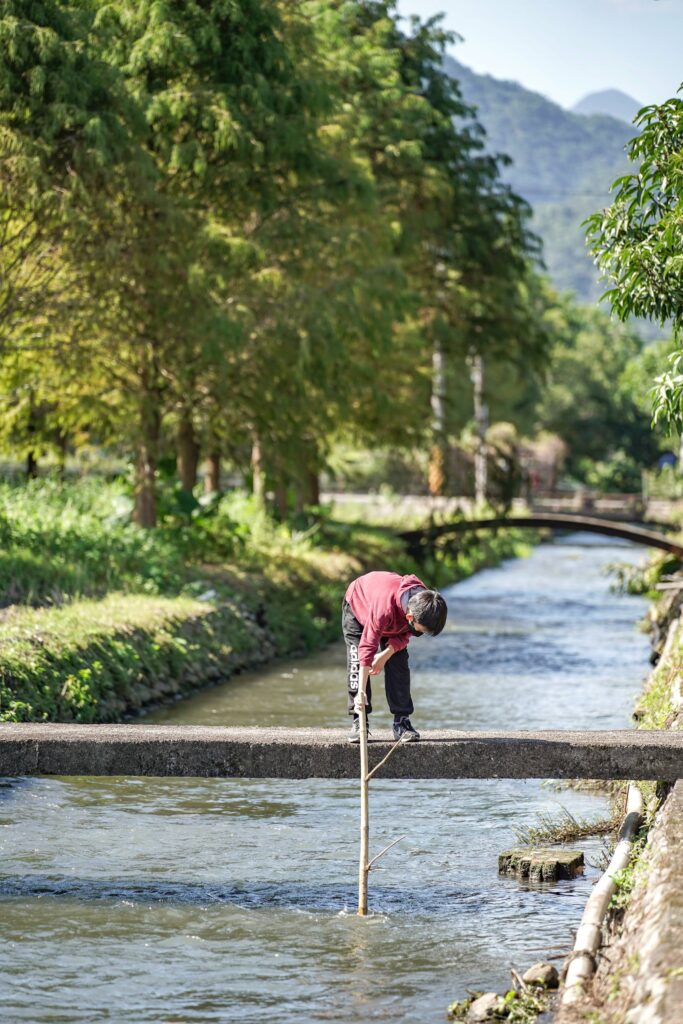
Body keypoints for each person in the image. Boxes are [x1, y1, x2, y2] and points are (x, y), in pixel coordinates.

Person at [342, 570, 448, 743]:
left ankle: (402, 721)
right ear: (409, 617)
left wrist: (386, 654)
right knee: (356, 662)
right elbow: (367, 647)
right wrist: (361, 692)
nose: (418, 633)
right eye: (420, 630)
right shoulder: (383, 608)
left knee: (398, 664)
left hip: (394, 621)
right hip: (359, 606)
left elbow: (406, 634)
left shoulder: (426, 603)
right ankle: (359, 719)